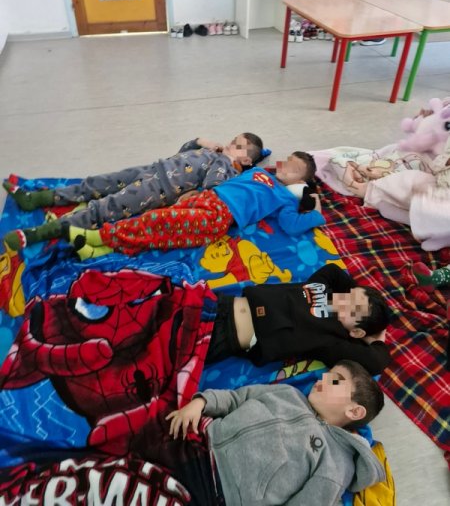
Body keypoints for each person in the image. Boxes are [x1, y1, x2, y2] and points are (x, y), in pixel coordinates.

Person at [166, 360, 386, 506]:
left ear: (354, 411)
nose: (322, 379)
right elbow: (237, 397)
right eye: (327, 375)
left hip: (220, 490)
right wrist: (202, 402)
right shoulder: (288, 393)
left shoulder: (336, 464)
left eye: (335, 380)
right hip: (199, 435)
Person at [3, 133, 263, 250]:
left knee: (104, 209)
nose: (230, 144)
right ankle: (39, 198)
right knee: (97, 182)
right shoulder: (214, 152)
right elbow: (181, 152)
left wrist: (223, 162)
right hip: (152, 168)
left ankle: (40, 233)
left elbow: (212, 189)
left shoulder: (226, 167)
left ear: (246, 160)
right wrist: (199, 141)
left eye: (238, 146)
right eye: (233, 140)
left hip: (157, 189)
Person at [60, 151, 325, 259]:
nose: (285, 168)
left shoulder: (284, 197)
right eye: (287, 162)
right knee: (156, 219)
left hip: (219, 215)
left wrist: (316, 211)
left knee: (159, 224)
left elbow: (291, 225)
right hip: (206, 197)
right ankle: (101, 249)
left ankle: (98, 237)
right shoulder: (259, 172)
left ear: (300, 181)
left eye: (294, 170)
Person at [206, 262, 390, 375]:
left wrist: (377, 339)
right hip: (221, 304)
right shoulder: (321, 287)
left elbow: (376, 362)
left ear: (356, 331)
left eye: (352, 308)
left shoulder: (331, 340)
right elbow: (333, 270)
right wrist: (357, 295)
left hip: (222, 335)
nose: (342, 301)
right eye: (349, 295)